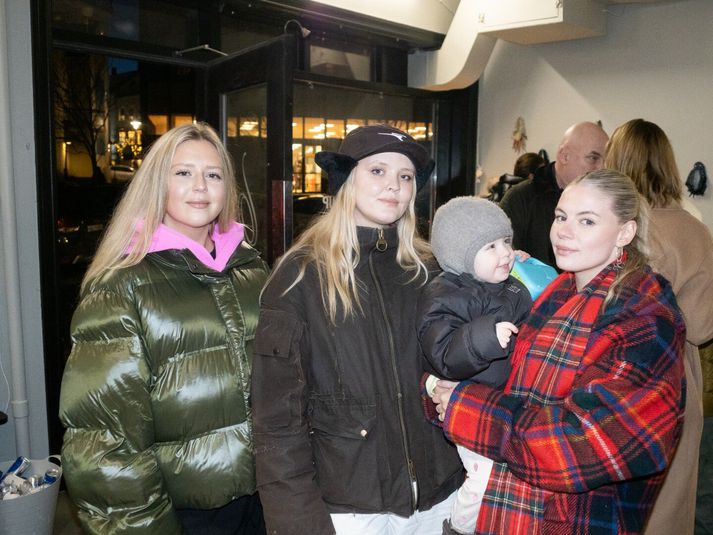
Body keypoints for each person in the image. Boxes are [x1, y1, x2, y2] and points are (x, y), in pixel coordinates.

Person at [431, 169, 686, 534]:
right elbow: (505, 379)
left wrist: (465, 408)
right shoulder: (556, 290)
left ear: (625, 233)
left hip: (578, 519)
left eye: (587, 221)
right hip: (509, 507)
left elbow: (586, 442)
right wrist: (439, 388)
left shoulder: (643, 315)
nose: (563, 231)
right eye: (561, 216)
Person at [251, 125, 463, 535]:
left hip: (440, 496)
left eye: (405, 176)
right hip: (350, 509)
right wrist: (297, 520)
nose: (394, 186)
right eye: (378, 171)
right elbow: (276, 418)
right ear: (346, 179)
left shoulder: (432, 270)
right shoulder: (300, 276)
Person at [59, 122, 269, 534]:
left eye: (213, 175)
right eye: (183, 172)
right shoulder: (122, 286)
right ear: (158, 183)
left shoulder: (251, 270)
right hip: (184, 512)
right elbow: (105, 441)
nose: (200, 187)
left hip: (265, 499)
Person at [605, 118, 713, 535]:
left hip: (620, 379)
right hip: (678, 384)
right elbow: (702, 328)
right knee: (669, 512)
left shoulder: (618, 229)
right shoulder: (696, 230)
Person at [417, 197, 532, 534]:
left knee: (503, 479)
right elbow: (442, 353)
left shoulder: (507, 284)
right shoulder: (444, 295)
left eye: (507, 241)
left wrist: (525, 268)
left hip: (503, 404)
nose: (505, 252)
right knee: (484, 478)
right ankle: (458, 527)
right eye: (491, 246)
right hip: (469, 405)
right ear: (460, 256)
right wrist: (485, 337)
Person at [500, 121, 608, 266]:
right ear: (564, 156)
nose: (601, 168)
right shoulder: (520, 199)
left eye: (605, 160)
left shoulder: (603, 202)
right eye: (593, 158)